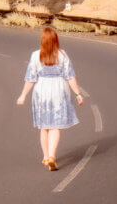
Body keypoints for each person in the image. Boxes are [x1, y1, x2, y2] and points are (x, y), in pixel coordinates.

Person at [16, 25, 83, 171]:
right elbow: (70, 76)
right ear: (55, 40)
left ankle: (46, 157)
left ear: (43, 40)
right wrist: (78, 93)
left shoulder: (35, 56)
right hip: (59, 90)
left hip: (42, 91)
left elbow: (30, 78)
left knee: (44, 126)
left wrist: (23, 95)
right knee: (55, 126)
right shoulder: (63, 55)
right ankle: (52, 155)